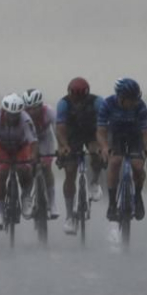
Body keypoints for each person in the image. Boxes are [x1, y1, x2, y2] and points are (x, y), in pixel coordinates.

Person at [97, 78, 147, 238]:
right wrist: (104, 147)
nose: (135, 102)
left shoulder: (140, 106)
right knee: (114, 162)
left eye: (136, 98)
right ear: (121, 97)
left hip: (135, 136)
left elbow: (146, 132)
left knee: (137, 165)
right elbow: (101, 131)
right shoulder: (108, 104)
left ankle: (137, 196)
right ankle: (112, 203)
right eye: (132, 99)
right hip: (115, 136)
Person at [56, 77, 104, 234]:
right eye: (74, 97)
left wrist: (102, 146)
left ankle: (94, 182)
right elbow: (61, 128)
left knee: (96, 152)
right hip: (72, 136)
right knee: (70, 171)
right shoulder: (63, 104)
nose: (76, 101)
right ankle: (69, 216)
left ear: (86, 95)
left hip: (91, 133)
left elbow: (104, 125)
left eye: (80, 98)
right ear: (69, 94)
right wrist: (64, 146)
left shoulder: (97, 102)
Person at [0, 94, 38, 230]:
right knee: (1, 174)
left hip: (21, 146)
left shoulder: (26, 120)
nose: (13, 118)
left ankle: (26, 196)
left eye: (16, 115)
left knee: (24, 169)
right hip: (1, 146)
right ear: (4, 111)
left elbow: (33, 142)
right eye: (10, 114)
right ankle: (0, 213)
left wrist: (33, 156)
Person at [22, 88, 59, 220]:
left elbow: (57, 130)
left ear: (40, 105)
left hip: (44, 139)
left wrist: (61, 147)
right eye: (28, 108)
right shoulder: (21, 114)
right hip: (27, 141)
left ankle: (52, 203)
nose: (31, 111)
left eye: (35, 108)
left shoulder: (49, 111)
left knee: (46, 167)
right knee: (28, 168)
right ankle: (26, 196)